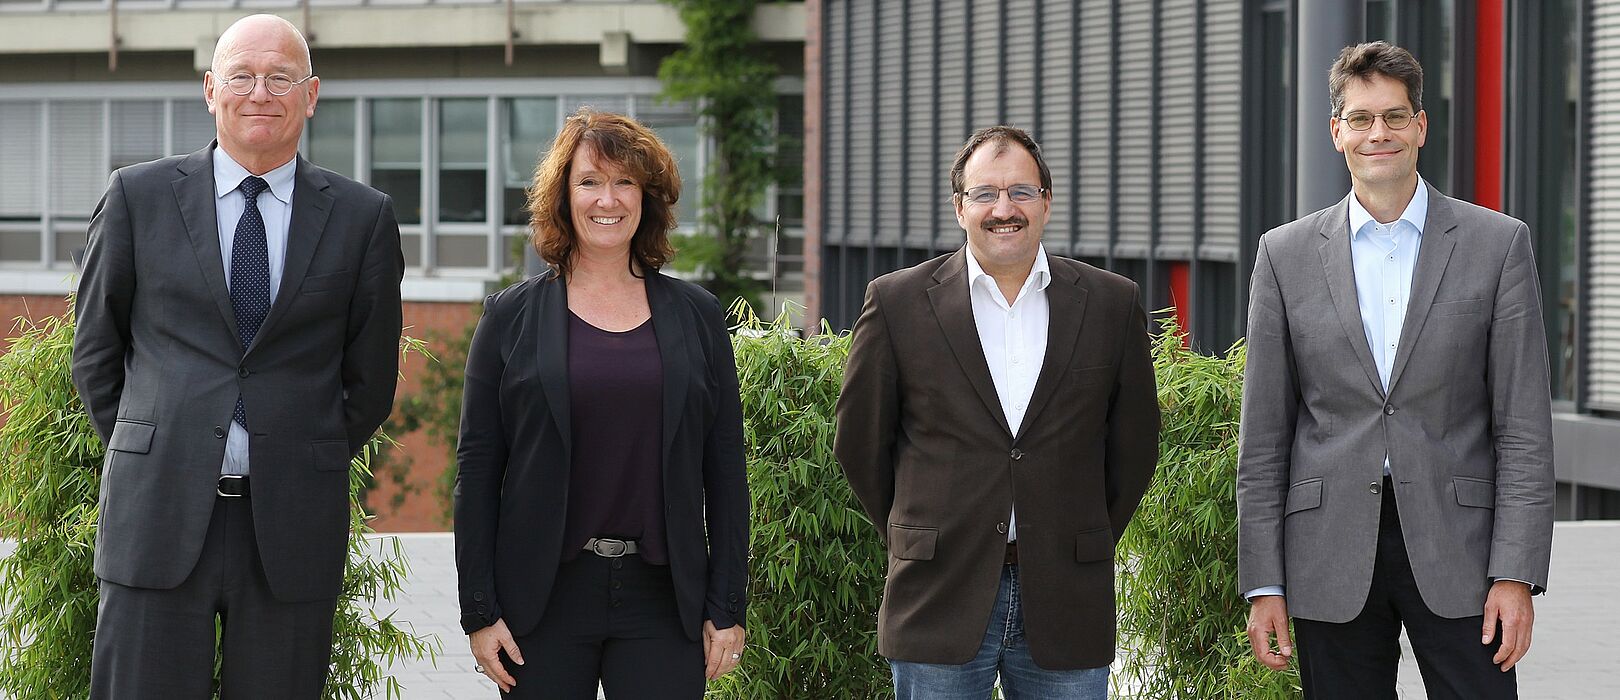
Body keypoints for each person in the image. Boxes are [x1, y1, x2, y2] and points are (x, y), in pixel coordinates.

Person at [70, 14, 403, 698]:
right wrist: (157, 445)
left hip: (289, 523)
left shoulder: (362, 218)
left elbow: (369, 380)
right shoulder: (137, 197)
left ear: (310, 95)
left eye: (280, 77)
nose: (260, 92)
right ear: (210, 90)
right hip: (157, 515)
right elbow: (96, 352)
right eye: (242, 76)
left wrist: (304, 450)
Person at [1237, 41, 1554, 700]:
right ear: (1337, 132)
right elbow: (1264, 437)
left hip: (1462, 551)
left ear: (1420, 127)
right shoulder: (1285, 255)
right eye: (1360, 118)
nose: (1377, 133)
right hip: (1328, 552)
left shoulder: (1499, 246)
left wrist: (1515, 572)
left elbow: (1522, 427)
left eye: (1394, 116)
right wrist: (1263, 583)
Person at [834, 125, 1160, 699]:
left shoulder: (1112, 303)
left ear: (1047, 203)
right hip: (937, 591)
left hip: (1068, 595)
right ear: (959, 207)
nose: (1003, 209)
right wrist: (918, 527)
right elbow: (860, 445)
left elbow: (1132, 450)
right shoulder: (897, 301)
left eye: (1021, 192)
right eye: (985, 194)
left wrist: (1080, 532)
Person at [453, 108, 749, 699]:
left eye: (624, 182)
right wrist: (479, 612)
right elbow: (478, 471)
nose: (606, 199)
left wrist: (727, 604)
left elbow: (726, 472)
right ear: (563, 196)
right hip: (543, 599)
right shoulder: (509, 318)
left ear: (648, 198)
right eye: (589, 181)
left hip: (665, 601)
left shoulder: (698, 317)